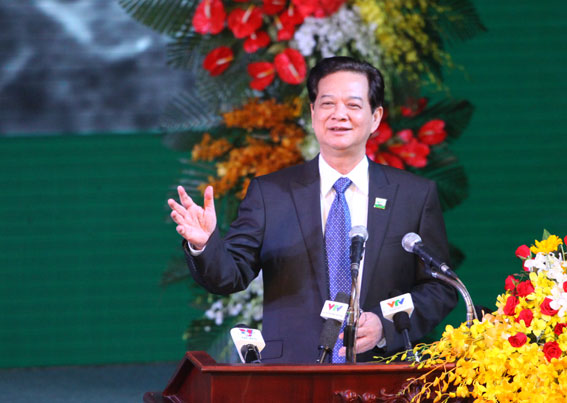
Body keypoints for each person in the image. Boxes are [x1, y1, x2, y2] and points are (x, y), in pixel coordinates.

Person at [168, 56, 457, 364]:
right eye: (327, 103)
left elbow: (440, 288)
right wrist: (204, 245)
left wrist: (385, 326)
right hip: (292, 372)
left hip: (380, 370)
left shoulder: (413, 195)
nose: (339, 114)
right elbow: (230, 276)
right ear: (313, 112)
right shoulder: (271, 194)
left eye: (353, 105)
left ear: (375, 117)